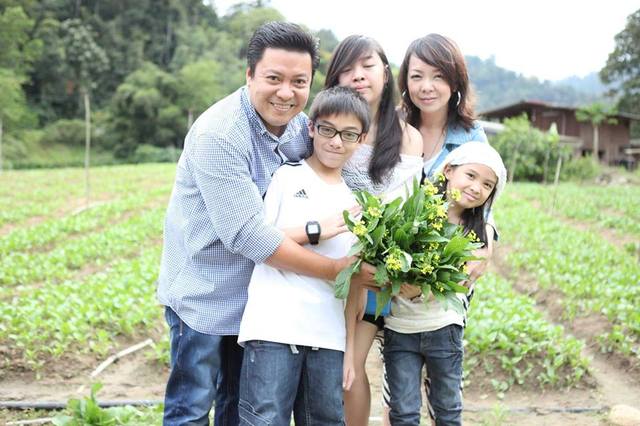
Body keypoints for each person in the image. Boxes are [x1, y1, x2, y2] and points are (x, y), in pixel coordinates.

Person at [156, 22, 375, 426]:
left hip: (254, 300)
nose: (286, 92)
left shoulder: (298, 125)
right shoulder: (220, 134)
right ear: (250, 75)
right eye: (274, 78)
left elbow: (345, 170)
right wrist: (334, 270)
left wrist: (386, 217)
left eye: (299, 81)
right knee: (190, 409)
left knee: (236, 408)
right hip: (204, 293)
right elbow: (249, 235)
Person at [237, 86, 370, 425]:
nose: (336, 142)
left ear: (361, 139)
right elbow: (260, 241)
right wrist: (317, 229)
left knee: (325, 420)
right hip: (273, 329)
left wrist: (349, 351)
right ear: (311, 128)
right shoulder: (285, 177)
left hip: (328, 335)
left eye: (348, 134)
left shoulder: (358, 205)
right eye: (327, 129)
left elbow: (353, 282)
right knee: (265, 418)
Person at [323, 35, 423, 426]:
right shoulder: (328, 128)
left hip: (374, 276)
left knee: (350, 365)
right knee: (325, 363)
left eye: (366, 66)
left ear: (385, 71)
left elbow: (406, 210)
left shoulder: (406, 136)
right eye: (346, 69)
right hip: (324, 262)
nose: (357, 76)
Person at [383, 141, 507, 426]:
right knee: (403, 411)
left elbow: (457, 277)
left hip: (444, 328)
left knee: (448, 410)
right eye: (471, 176)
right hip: (399, 328)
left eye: (488, 185)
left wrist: (419, 284)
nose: (477, 188)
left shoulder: (479, 232)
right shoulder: (413, 212)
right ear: (449, 170)